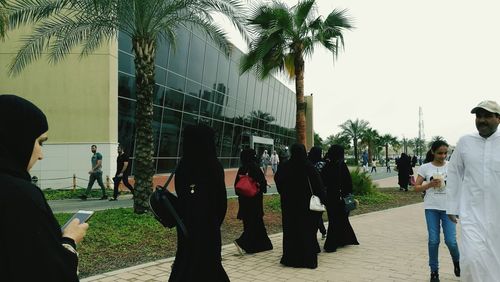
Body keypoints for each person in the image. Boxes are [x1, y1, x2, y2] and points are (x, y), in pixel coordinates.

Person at [0, 95, 89, 281]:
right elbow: (51, 271)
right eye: (40, 142)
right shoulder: (20, 195)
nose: (41, 155)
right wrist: (70, 240)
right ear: (17, 139)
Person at [446, 100, 500, 281]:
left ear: (498, 119)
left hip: (498, 214)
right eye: (478, 116)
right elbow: (453, 173)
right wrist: (452, 206)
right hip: (472, 213)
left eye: (487, 116)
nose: (481, 120)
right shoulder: (465, 142)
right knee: (471, 258)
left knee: (496, 260)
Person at [169, 124, 229, 282]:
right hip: (209, 227)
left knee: (186, 262)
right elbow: (221, 203)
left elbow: (181, 195)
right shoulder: (214, 166)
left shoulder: (183, 166)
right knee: (209, 266)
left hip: (186, 225)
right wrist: (214, 222)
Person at [414, 140, 460, 282]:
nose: (443, 155)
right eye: (440, 153)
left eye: (445, 153)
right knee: (433, 241)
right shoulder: (425, 167)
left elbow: (459, 186)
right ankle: (434, 272)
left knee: (451, 241)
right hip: (431, 208)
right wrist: (429, 185)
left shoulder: (451, 167)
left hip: (449, 209)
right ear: (433, 152)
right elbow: (416, 187)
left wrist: (457, 208)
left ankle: (457, 262)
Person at [275, 144, 325, 269]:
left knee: (291, 230)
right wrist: (323, 199)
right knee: (307, 230)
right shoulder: (308, 166)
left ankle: (290, 258)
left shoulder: (285, 166)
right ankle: (307, 259)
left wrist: (285, 193)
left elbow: (278, 181)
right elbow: (318, 185)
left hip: (289, 204)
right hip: (306, 205)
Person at [233, 149, 273, 255]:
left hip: (244, 200)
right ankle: (242, 242)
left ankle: (255, 246)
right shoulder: (255, 167)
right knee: (255, 223)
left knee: (249, 222)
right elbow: (262, 183)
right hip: (254, 200)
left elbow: (236, 186)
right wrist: (263, 187)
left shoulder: (242, 169)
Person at [320, 145, 359, 252]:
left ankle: (340, 240)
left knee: (333, 219)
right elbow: (348, 183)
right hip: (342, 198)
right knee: (341, 218)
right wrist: (348, 194)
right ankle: (332, 244)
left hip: (331, 197)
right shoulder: (342, 165)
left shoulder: (327, 166)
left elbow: (322, 181)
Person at [307, 146, 327, 240]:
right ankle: (322, 230)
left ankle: (322, 230)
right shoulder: (322, 164)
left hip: (309, 191)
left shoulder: (307, 163)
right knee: (318, 211)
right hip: (320, 190)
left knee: (315, 211)